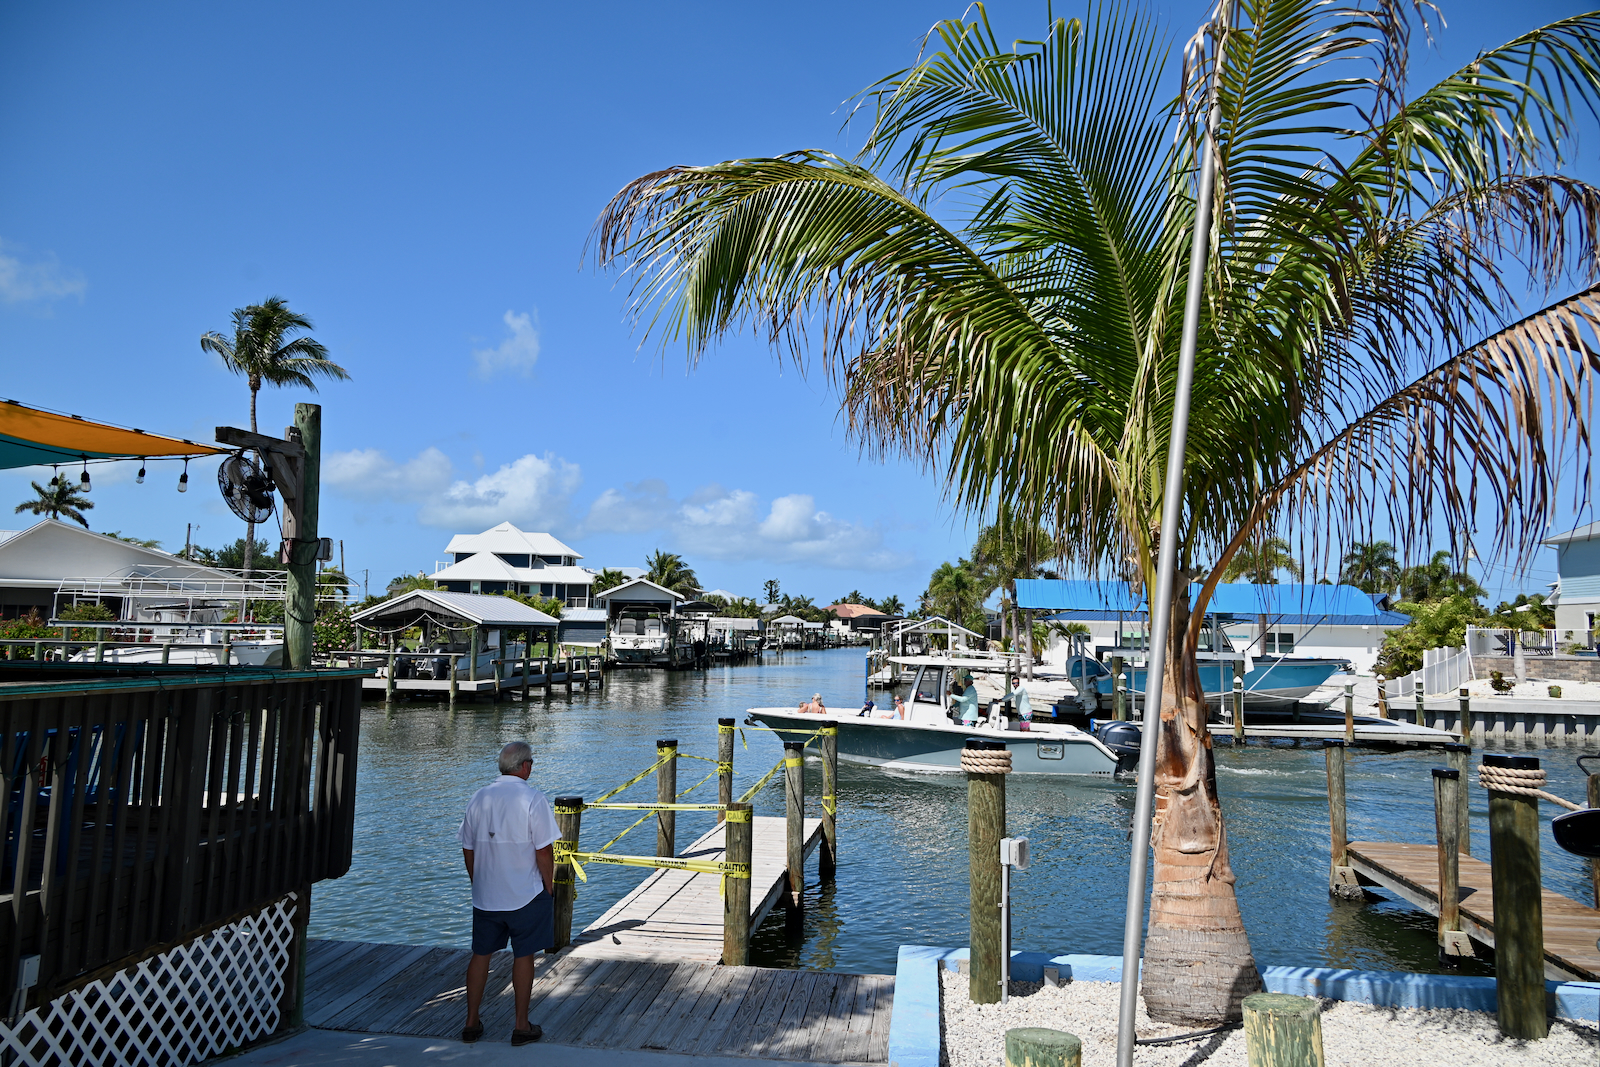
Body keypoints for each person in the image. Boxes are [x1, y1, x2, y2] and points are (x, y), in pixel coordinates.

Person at [458, 740, 558, 1047]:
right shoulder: (533, 799)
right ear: (526, 766)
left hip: (486, 894)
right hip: (524, 893)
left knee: (480, 954)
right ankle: (520, 1025)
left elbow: (467, 846)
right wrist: (549, 884)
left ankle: (471, 1022)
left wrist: (478, 880)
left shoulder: (479, 797)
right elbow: (544, 851)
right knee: (523, 955)